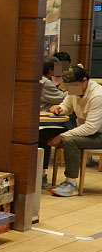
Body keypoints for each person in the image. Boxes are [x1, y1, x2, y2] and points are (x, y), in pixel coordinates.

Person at [48, 65, 102, 197]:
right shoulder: (75, 89)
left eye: (74, 85)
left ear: (84, 80)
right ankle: (42, 176)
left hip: (98, 134)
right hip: (88, 132)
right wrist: (59, 109)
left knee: (70, 140)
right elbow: (67, 106)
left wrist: (62, 135)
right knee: (46, 133)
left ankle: (71, 184)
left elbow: (91, 127)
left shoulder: (97, 96)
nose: (71, 89)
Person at [38, 57, 67, 188]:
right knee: (46, 136)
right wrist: (77, 89)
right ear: (50, 70)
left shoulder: (40, 79)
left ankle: (41, 174)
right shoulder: (45, 82)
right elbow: (61, 98)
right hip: (46, 122)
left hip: (41, 121)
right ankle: (42, 175)